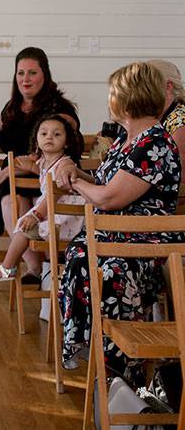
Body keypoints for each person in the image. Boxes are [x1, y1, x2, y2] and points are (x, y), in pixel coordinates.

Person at [56, 62, 180, 383]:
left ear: (124, 99)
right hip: (110, 242)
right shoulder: (128, 139)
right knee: (81, 258)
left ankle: (121, 375)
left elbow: (110, 197)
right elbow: (101, 180)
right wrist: (74, 171)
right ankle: (102, 360)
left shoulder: (155, 142)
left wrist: (78, 184)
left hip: (136, 251)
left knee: (107, 270)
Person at [0, 46, 80, 282]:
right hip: (15, 176)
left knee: (38, 205)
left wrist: (4, 172)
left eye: (32, 73)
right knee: (10, 203)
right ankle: (35, 269)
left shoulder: (59, 109)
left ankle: (49, 265)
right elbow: (7, 140)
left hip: (46, 176)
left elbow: (54, 146)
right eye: (20, 73)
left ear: (44, 74)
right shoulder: (12, 107)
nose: (25, 79)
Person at [0, 114, 84, 282]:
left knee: (23, 227)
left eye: (57, 134)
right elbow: (28, 166)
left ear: (66, 142)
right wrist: (15, 169)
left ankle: (7, 268)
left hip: (68, 216)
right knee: (23, 225)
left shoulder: (65, 163)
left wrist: (35, 215)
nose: (49, 137)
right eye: (44, 134)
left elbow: (55, 192)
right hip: (56, 213)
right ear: (37, 141)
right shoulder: (44, 162)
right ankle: (27, 269)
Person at [149, 59, 185, 208]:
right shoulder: (166, 117)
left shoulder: (180, 121)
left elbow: (180, 178)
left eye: (148, 85)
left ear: (168, 86)